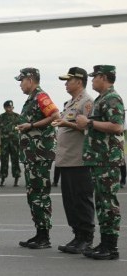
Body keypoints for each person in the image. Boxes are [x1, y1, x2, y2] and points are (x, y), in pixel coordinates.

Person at [76, 65, 124, 260]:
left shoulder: (112, 98)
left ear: (103, 77)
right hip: (99, 159)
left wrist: (89, 122)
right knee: (102, 202)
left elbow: (117, 126)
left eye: (95, 76)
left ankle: (110, 247)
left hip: (107, 159)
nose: (93, 80)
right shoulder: (101, 99)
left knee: (107, 202)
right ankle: (104, 243)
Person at [15, 67, 59, 249]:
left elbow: (56, 116)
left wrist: (31, 125)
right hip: (32, 155)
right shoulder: (31, 98)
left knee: (40, 194)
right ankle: (40, 233)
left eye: (22, 80)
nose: (20, 84)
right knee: (33, 194)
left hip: (40, 154)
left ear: (31, 80)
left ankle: (44, 236)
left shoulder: (41, 97)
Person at [52, 67, 95, 254]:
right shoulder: (70, 103)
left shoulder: (87, 102)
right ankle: (77, 236)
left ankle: (86, 238)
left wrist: (65, 123)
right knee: (70, 202)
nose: (66, 83)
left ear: (79, 81)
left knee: (81, 200)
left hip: (79, 160)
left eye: (69, 80)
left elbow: (89, 128)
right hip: (66, 160)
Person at [0, 100, 21, 187]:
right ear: (4, 108)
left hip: (15, 142)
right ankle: (2, 179)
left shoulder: (18, 117)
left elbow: (22, 129)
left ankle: (16, 179)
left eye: (11, 107)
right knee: (3, 161)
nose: (9, 109)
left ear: (13, 107)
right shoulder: (1, 117)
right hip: (4, 143)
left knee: (15, 160)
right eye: (7, 107)